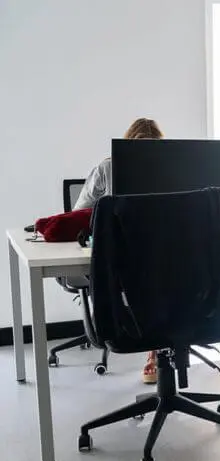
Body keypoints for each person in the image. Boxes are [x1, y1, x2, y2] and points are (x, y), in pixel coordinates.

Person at [74, 117, 165, 385]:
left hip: (158, 251)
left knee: (165, 272)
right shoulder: (107, 169)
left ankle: (157, 348)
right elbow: (78, 213)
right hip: (117, 253)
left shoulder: (171, 169)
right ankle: (153, 344)